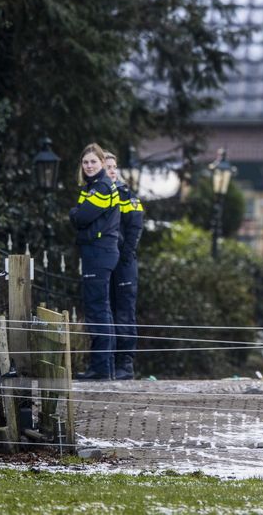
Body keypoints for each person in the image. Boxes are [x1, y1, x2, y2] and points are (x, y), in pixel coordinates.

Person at [70, 143, 121, 381]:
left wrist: (76, 216)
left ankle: (100, 368)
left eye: (93, 162)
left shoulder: (101, 187)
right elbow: (81, 215)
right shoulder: (91, 187)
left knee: (98, 310)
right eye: (85, 162)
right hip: (98, 252)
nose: (89, 166)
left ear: (101, 163)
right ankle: (105, 367)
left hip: (100, 253)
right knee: (101, 310)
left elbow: (80, 217)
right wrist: (78, 216)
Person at [104, 153, 144, 381]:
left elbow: (136, 226)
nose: (111, 171)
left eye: (113, 167)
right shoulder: (97, 193)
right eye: (107, 167)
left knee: (124, 313)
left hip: (124, 262)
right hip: (106, 261)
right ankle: (106, 362)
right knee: (106, 311)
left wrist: (125, 254)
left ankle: (125, 363)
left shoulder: (127, 195)